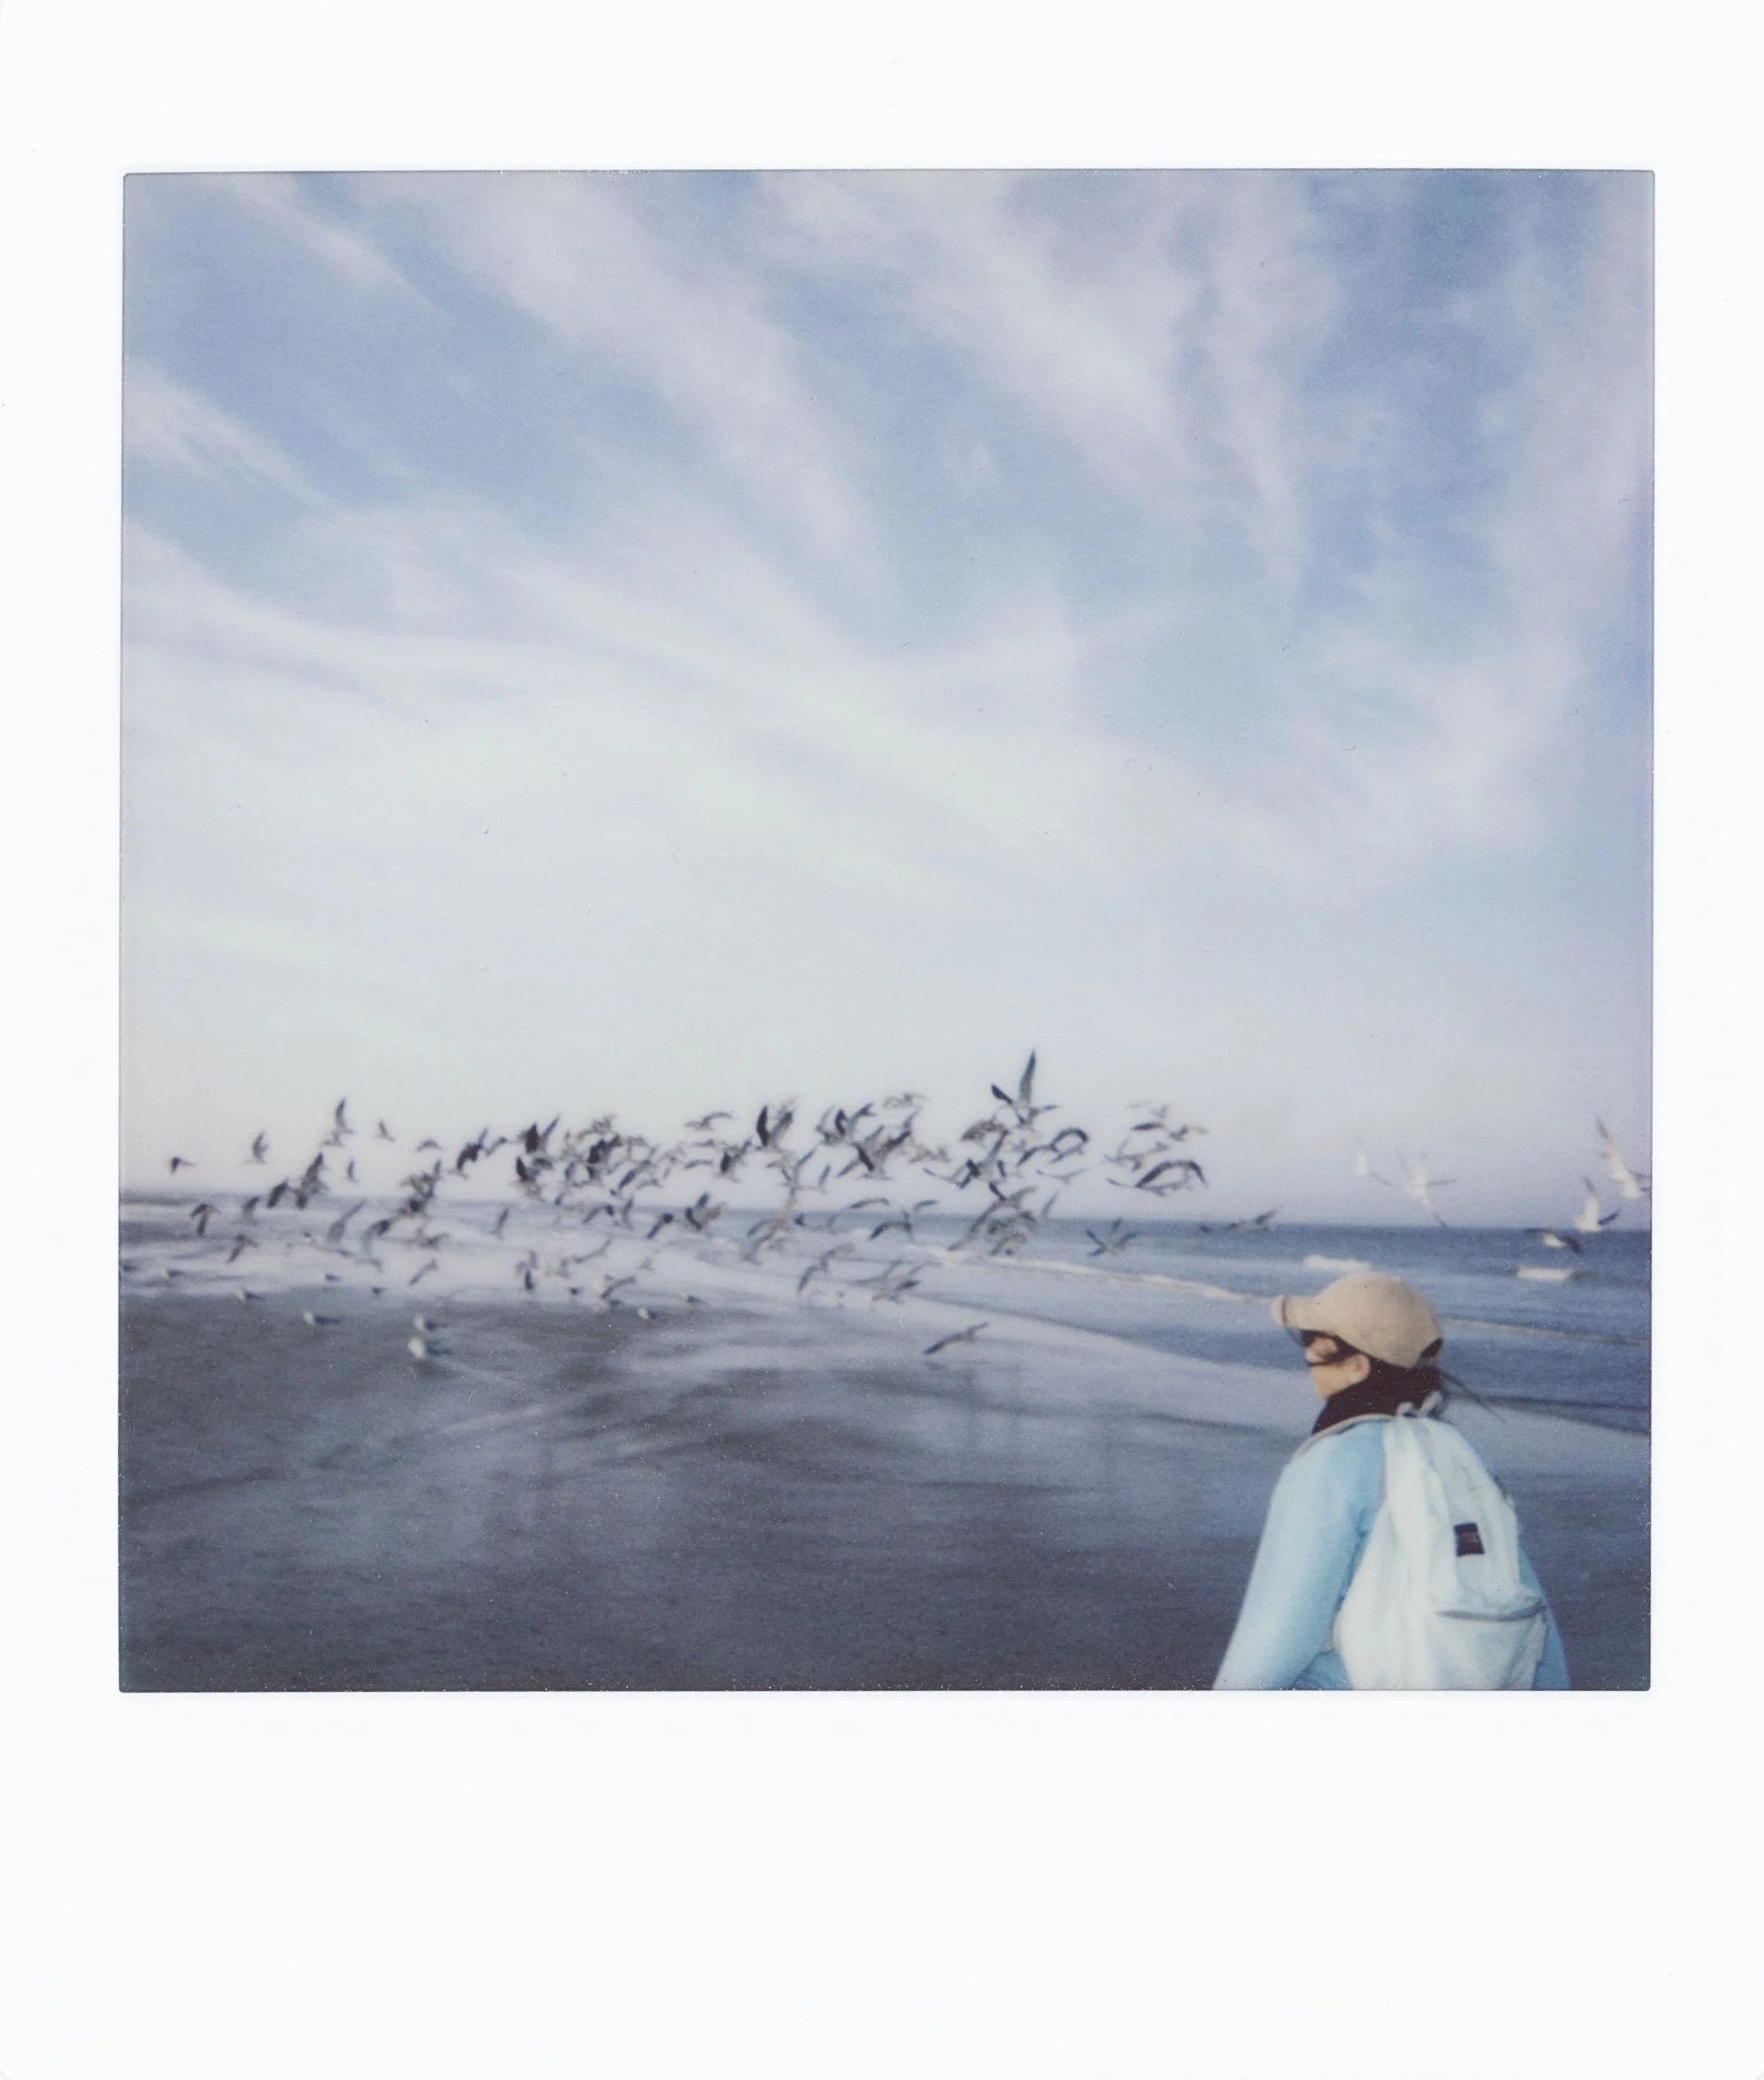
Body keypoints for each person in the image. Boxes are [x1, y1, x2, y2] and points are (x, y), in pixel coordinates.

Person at [1214, 1271, 1568, 1689]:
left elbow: (1278, 1630)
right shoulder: (1460, 1450)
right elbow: (1521, 1595)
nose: (1307, 1350)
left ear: (1357, 1366)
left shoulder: (1330, 1462)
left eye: (1315, 1340)